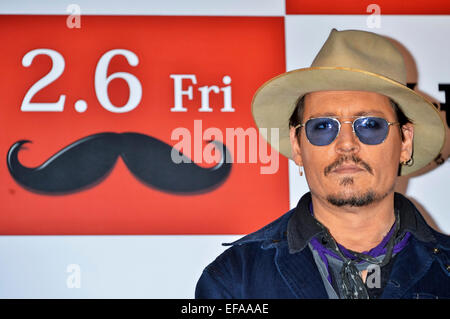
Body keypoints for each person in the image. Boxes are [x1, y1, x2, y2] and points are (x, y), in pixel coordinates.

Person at [195, 29, 450, 299]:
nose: (346, 144)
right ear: (297, 145)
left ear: (405, 142)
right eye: (324, 126)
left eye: (371, 125)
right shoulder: (235, 280)